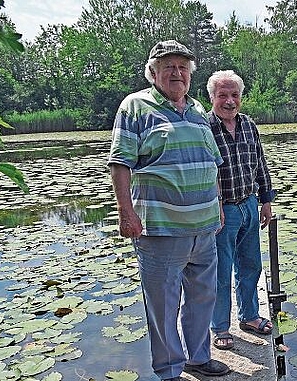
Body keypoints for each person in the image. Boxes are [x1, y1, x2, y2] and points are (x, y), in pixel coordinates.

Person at [108, 40, 230, 380]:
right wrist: (125, 211)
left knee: (203, 297)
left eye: (182, 67)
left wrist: (218, 206)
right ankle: (170, 370)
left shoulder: (197, 111)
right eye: (168, 67)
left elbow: (212, 164)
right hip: (160, 230)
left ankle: (199, 358)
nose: (176, 73)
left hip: (204, 228)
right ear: (153, 72)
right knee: (162, 307)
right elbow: (120, 163)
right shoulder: (135, 107)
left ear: (190, 74)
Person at [206, 70, 276, 350]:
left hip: (248, 203)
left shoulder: (248, 125)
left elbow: (260, 163)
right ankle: (220, 327)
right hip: (222, 210)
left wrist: (266, 199)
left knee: (250, 266)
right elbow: (202, 172)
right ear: (212, 97)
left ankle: (249, 316)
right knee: (221, 272)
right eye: (223, 95)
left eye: (234, 95)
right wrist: (214, 205)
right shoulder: (204, 128)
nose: (229, 101)